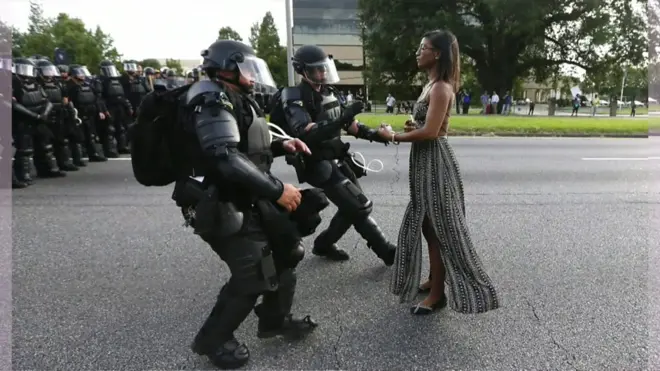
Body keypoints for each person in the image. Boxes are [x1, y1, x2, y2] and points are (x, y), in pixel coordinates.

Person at [156, 40, 320, 369]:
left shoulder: (233, 97)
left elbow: (247, 145)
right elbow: (225, 157)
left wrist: (282, 144)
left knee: (287, 251)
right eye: (247, 66)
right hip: (218, 201)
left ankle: (274, 319)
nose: (253, 74)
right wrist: (277, 191)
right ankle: (213, 340)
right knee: (253, 272)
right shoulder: (209, 99)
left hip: (245, 194)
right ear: (228, 67)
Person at [377, 30, 499, 315]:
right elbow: (427, 125)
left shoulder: (442, 87)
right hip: (424, 161)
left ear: (438, 53)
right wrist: (412, 126)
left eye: (424, 47)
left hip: (435, 163)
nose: (418, 52)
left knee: (439, 229)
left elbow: (432, 132)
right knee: (427, 225)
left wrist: (392, 136)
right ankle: (435, 279)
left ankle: (437, 295)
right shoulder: (430, 85)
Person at [270, 44, 397, 265]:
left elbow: (351, 125)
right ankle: (387, 252)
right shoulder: (294, 96)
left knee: (352, 206)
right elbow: (304, 132)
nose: (322, 73)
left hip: (337, 157)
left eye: (324, 68)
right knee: (359, 206)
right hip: (316, 162)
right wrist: (339, 120)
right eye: (317, 69)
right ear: (302, 70)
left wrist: (378, 135)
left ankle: (323, 244)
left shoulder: (329, 92)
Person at [12, 57, 65, 182]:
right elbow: (14, 104)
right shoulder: (14, 83)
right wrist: (33, 115)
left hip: (39, 119)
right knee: (25, 149)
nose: (26, 72)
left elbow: (47, 100)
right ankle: (23, 174)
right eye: (23, 69)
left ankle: (49, 169)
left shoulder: (35, 83)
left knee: (46, 146)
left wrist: (44, 114)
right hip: (23, 120)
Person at [35, 58, 81, 171]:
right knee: (45, 144)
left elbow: (66, 98)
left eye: (50, 70)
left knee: (61, 141)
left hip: (59, 114)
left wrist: (70, 112)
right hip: (45, 115)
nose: (49, 74)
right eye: (46, 71)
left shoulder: (58, 83)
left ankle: (64, 163)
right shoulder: (37, 84)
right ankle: (47, 168)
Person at [66, 64, 108, 163]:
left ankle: (93, 154)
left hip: (90, 113)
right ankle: (78, 158)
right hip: (78, 114)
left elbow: (95, 99)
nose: (82, 75)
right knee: (78, 137)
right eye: (79, 73)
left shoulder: (87, 85)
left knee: (91, 135)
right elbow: (68, 101)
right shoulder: (70, 86)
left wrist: (99, 110)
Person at [96, 60, 133, 156]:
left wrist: (128, 107)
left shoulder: (117, 80)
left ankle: (122, 147)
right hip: (109, 106)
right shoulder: (101, 81)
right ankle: (110, 150)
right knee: (110, 129)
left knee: (121, 128)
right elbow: (99, 98)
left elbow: (123, 95)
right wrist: (103, 110)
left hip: (119, 106)